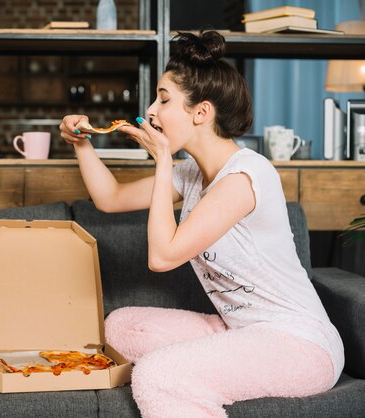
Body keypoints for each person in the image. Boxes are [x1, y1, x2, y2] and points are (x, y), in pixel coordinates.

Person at [59, 31, 343, 417]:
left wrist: (161, 162)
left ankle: (184, 383)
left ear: (201, 113)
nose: (151, 110)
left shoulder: (243, 178)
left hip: (300, 345)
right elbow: (110, 199)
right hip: (239, 329)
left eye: (163, 99)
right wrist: (81, 144)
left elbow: (162, 257)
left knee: (158, 375)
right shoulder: (192, 173)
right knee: (122, 327)